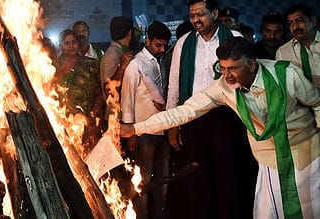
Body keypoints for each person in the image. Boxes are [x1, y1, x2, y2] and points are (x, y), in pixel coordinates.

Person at [121, 36, 320, 219]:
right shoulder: (224, 87)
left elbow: (317, 104)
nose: (227, 76)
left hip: (306, 156)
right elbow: (183, 112)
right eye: (223, 68)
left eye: (233, 68)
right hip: (270, 164)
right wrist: (136, 128)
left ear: (252, 65)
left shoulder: (287, 75)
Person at [165, 0, 256, 218]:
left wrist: (249, 123)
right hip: (193, 118)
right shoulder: (184, 43)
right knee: (196, 178)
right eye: (192, 15)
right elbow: (174, 84)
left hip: (227, 118)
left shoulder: (235, 39)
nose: (195, 19)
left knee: (228, 176)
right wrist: (172, 124)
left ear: (214, 13)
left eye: (200, 14)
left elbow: (250, 84)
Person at [121, 20, 172, 219]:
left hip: (164, 128)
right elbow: (127, 100)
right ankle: (141, 216)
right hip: (143, 133)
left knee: (163, 176)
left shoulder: (162, 60)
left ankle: (159, 213)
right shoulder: (136, 65)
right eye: (158, 45)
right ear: (147, 40)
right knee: (142, 178)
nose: (162, 49)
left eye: (165, 45)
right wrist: (130, 133)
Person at [52, 29, 104, 159]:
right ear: (60, 46)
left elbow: (101, 93)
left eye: (74, 42)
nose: (71, 46)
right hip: (62, 122)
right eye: (67, 43)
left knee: (88, 157)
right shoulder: (52, 66)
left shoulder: (91, 64)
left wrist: (93, 114)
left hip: (87, 121)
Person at [276, 4, 320, 87]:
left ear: (313, 21)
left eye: (300, 21)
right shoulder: (282, 52)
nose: (295, 27)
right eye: (290, 23)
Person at [100, 16, 134, 121]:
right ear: (129, 33)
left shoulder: (120, 52)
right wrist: (122, 67)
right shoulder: (113, 54)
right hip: (115, 116)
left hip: (121, 113)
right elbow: (109, 89)